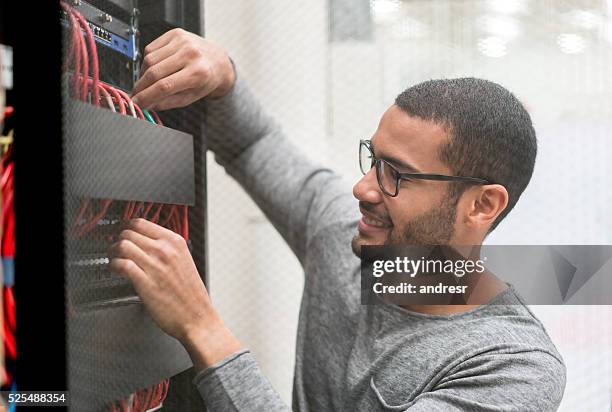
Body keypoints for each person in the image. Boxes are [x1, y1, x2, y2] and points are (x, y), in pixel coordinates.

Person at [110, 28, 566, 411]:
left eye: (397, 175)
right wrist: (223, 73)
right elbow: (253, 144)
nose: (363, 189)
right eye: (373, 159)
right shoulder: (346, 236)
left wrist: (201, 327)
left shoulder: (513, 368)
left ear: (482, 205)